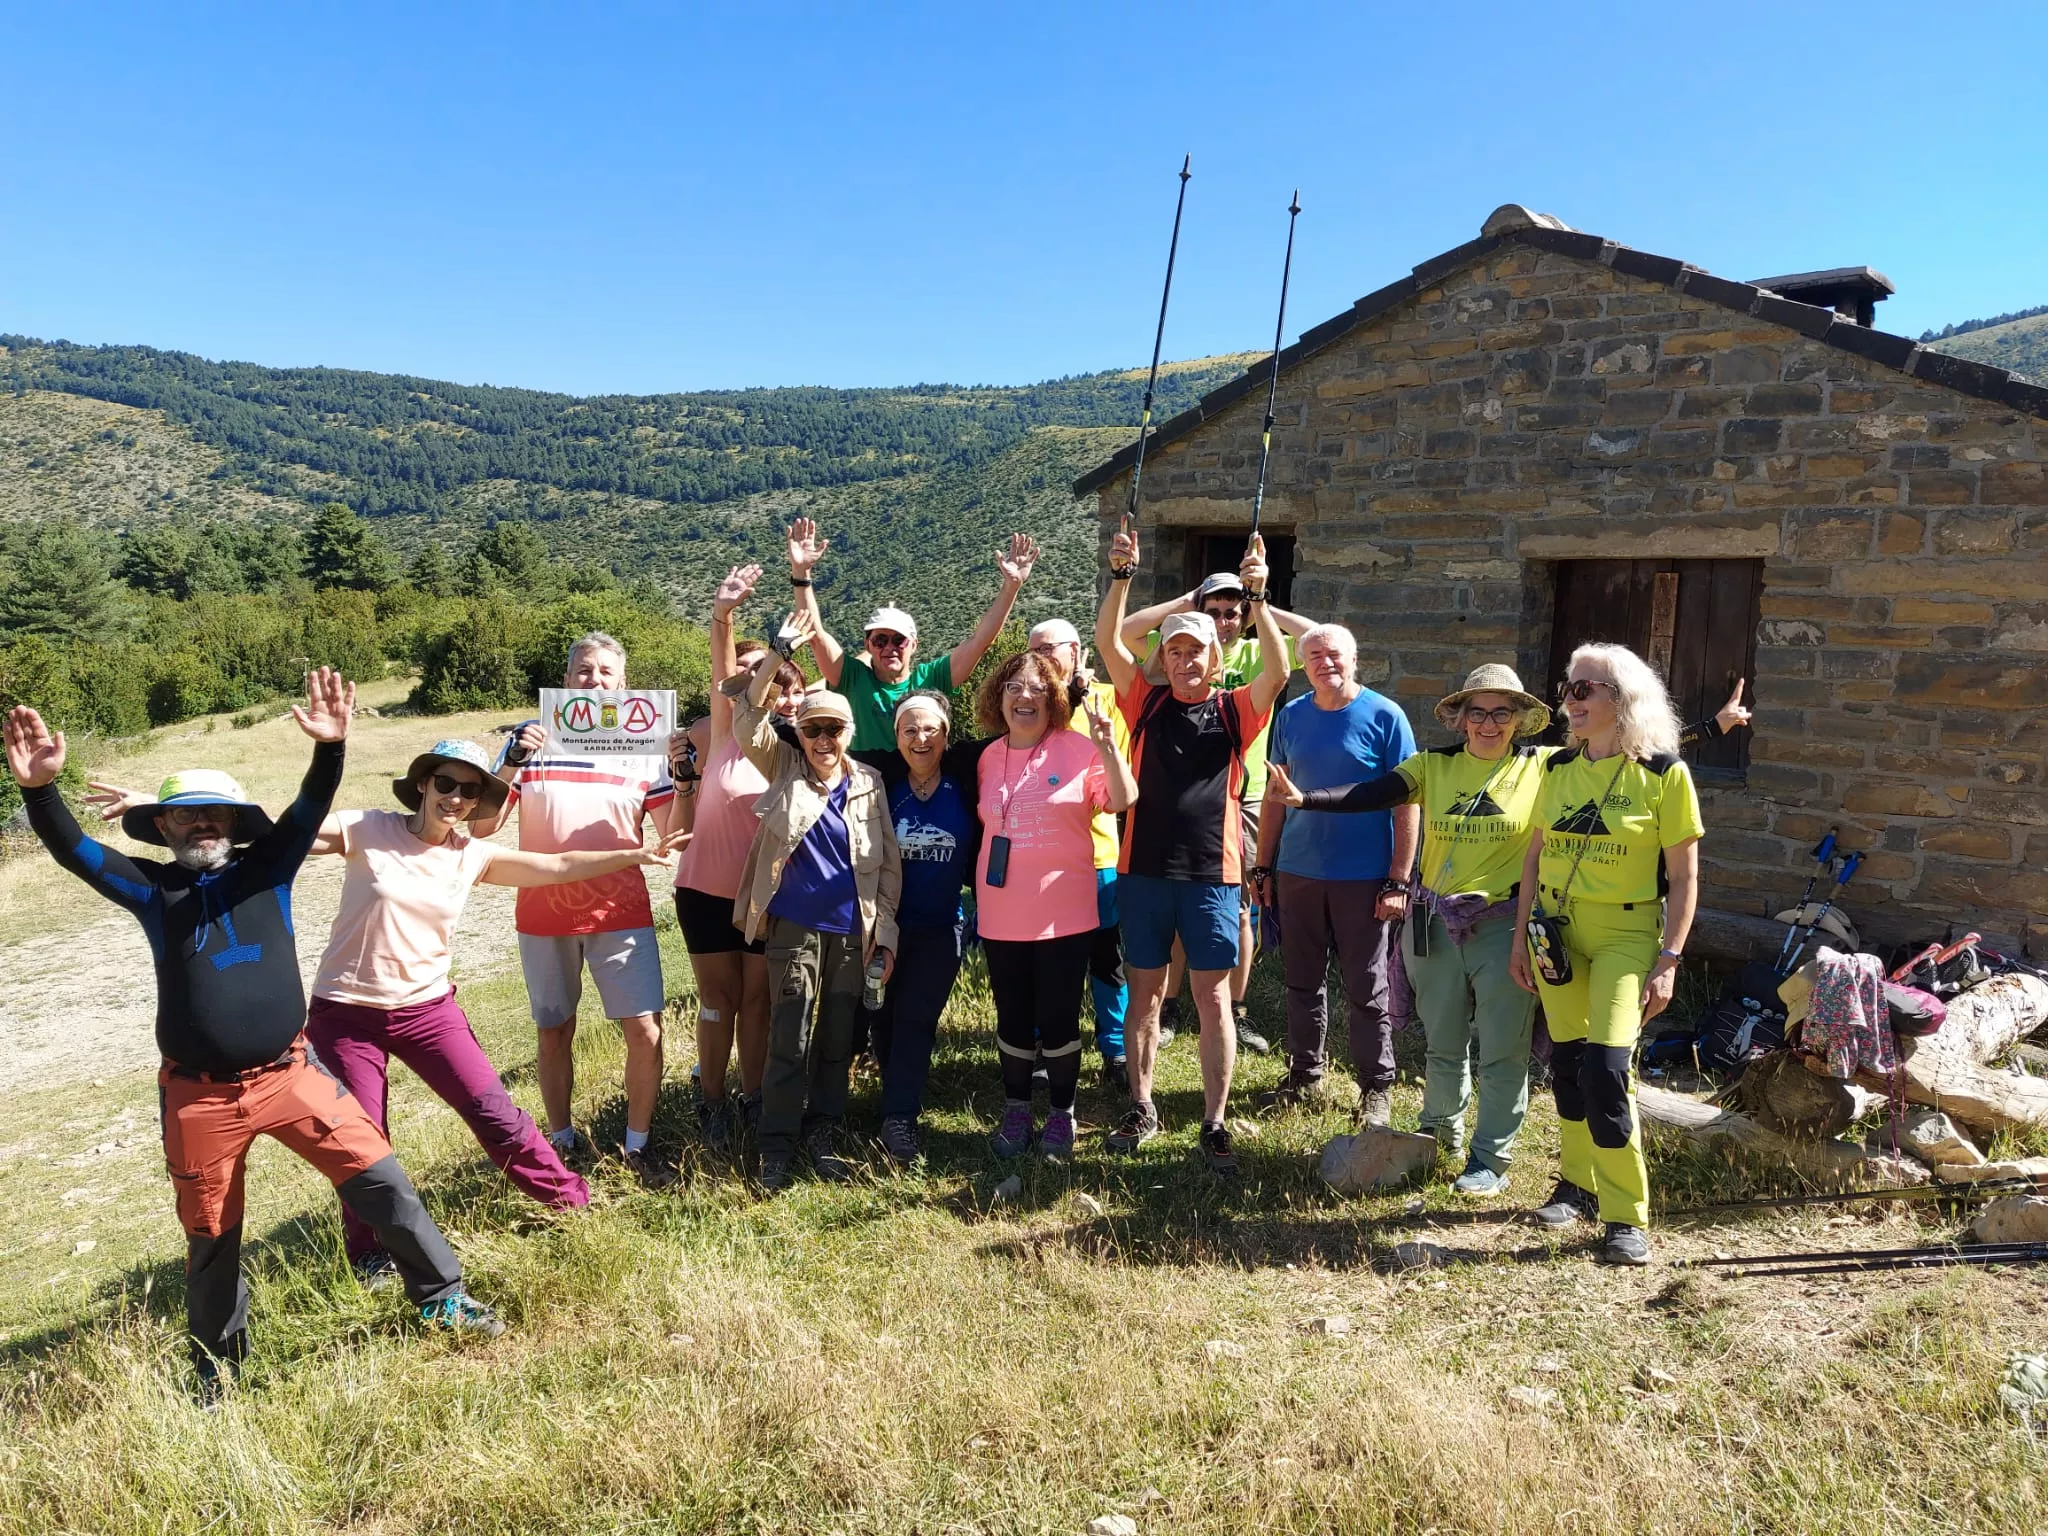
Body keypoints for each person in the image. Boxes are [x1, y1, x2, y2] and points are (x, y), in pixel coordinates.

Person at [4, 673, 502, 1402]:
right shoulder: (153, 891)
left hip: (291, 1075)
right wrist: (41, 793)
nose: (201, 824)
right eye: (186, 817)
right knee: (211, 1239)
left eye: (215, 814)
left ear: (236, 823)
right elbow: (76, 852)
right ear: (163, 828)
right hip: (199, 1100)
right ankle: (217, 1370)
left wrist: (330, 748)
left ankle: (441, 1298)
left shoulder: (269, 870)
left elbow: (307, 809)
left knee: (383, 1181)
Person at [1270, 667, 1748, 1199]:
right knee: (1443, 1041)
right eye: (1478, 711)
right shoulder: (1433, 765)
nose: (1489, 723)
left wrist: (1713, 727)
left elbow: (1622, 748)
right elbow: (1373, 791)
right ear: (1461, 717)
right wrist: (1305, 799)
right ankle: (1438, 1136)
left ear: (1520, 720)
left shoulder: (1547, 766)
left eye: (1502, 712)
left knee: (1503, 1049)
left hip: (1504, 927)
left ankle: (1489, 1157)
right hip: (1432, 922)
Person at [1094, 527, 1293, 1174]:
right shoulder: (1142, 701)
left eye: (1195, 651)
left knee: (1212, 1002)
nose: (1183, 660)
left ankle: (1213, 1120)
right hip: (1144, 871)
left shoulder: (1237, 710)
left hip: (1213, 875)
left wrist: (1258, 599)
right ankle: (1142, 1105)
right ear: (1165, 658)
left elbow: (1280, 669)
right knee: (1146, 994)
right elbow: (1107, 641)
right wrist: (1122, 576)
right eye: (1173, 650)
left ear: (1214, 658)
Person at [1509, 644, 1703, 1267]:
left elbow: (1686, 876)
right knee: (1566, 1062)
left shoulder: (1664, 774)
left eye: (1584, 689)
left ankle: (1626, 1215)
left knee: (1606, 1068)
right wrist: (1521, 937)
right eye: (1568, 688)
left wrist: (1669, 959)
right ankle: (1576, 1183)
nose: (1570, 700)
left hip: (1625, 935)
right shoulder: (1557, 769)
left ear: (1621, 698)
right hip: (1557, 934)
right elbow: (1533, 858)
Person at [475, 632, 683, 1188]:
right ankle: (562, 1143)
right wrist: (512, 759)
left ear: (624, 684)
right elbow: (482, 828)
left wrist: (681, 775)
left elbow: (673, 837)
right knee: (553, 1030)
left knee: (645, 1030)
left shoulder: (646, 749)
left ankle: (637, 1147)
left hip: (621, 909)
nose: (595, 682)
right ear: (566, 683)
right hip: (544, 912)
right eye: (584, 672)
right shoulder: (532, 744)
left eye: (607, 673)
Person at [730, 617, 902, 1192]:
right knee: (790, 1030)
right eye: (812, 730)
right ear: (798, 733)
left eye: (833, 729)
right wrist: (779, 655)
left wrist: (887, 935)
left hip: (855, 930)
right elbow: (746, 718)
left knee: (836, 1034)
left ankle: (824, 1128)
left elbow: (887, 868)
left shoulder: (871, 783)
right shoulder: (782, 767)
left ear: (849, 732)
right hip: (795, 926)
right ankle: (776, 1142)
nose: (823, 740)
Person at [1120, 569, 1315, 1055]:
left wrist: (1259, 601)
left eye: (1233, 613)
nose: (1225, 621)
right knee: (1181, 902)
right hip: (1181, 799)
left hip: (1241, 796)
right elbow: (1124, 634)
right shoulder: (1169, 673)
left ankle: (1234, 1007)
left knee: (1238, 906)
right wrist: (1186, 601)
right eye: (1215, 612)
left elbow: (1309, 642)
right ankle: (1171, 1004)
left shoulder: (1252, 650)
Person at [1249, 624, 1418, 1125]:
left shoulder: (1386, 716)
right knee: (1301, 981)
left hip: (1363, 876)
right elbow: (1274, 798)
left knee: (1366, 986)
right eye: (1315, 655)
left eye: (1335, 654)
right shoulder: (1293, 716)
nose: (1326, 663)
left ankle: (1376, 1085)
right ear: (1303, 665)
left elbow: (1408, 803)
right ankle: (1305, 1073)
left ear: (1355, 657)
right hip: (1299, 869)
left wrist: (1398, 878)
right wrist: (1264, 864)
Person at [973, 651, 1137, 1160]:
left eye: (1038, 689)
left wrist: (1108, 745)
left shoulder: (1078, 749)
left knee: (1061, 1020)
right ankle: (1017, 1108)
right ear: (997, 696)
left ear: (1055, 699)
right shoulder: (986, 756)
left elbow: (1121, 799)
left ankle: (1062, 1112)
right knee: (1013, 1019)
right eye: (1014, 687)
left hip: (1064, 912)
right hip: (1001, 911)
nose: (1025, 697)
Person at [670, 564, 809, 1155]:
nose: (759, 679)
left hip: (768, 894)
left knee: (757, 1002)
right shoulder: (726, 731)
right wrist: (723, 615)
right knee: (716, 1001)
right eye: (750, 672)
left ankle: (752, 1098)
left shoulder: (792, 749)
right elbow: (725, 674)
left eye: (770, 673)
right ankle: (711, 1100)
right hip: (705, 889)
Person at [850, 690, 983, 1164]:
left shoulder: (967, 780)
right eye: (910, 729)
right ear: (896, 737)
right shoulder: (882, 780)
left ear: (947, 736)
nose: (920, 738)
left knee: (917, 1019)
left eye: (931, 730)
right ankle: (892, 1093)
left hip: (941, 926)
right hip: (882, 926)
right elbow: (809, 746)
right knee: (879, 1017)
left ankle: (899, 1119)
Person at [784, 514, 1039, 751]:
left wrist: (1011, 587)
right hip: (867, 787)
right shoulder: (852, 678)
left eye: (898, 640)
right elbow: (815, 635)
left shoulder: (931, 680)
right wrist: (801, 573)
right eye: (880, 640)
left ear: (914, 644)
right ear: (868, 644)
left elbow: (981, 641)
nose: (889, 648)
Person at [1026, 617, 1130, 1091]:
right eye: (1035, 650)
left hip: (1096, 853)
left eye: (1051, 649)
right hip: (1038, 854)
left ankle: (1115, 1049)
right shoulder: (1029, 703)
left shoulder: (1105, 698)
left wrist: (1081, 693)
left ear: (1075, 650)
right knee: (1044, 957)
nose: (1042, 658)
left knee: (1105, 956)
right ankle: (1045, 1045)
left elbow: (1115, 768)